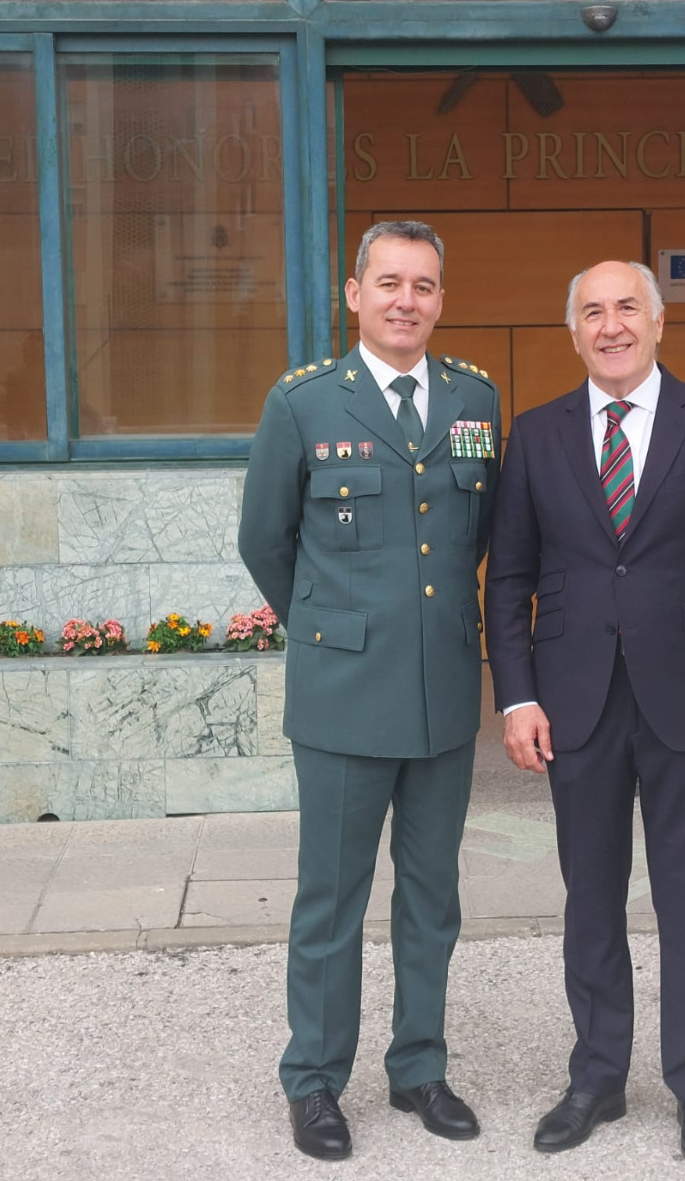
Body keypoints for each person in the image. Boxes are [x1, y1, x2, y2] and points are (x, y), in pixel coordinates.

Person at [483, 260, 685, 1167]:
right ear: (572, 333)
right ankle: (597, 1077)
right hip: (574, 703)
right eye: (591, 312)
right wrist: (517, 696)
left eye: (626, 309)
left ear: (658, 324)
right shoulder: (537, 435)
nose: (610, 326)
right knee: (591, 900)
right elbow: (510, 579)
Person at [238, 220, 501, 1162]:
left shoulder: (475, 398)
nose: (405, 300)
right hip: (343, 694)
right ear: (355, 295)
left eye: (423, 285)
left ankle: (419, 1067)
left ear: (440, 299)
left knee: (432, 896)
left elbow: (480, 534)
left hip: (440, 694)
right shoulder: (304, 403)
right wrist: (331, 626)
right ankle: (314, 1080)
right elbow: (264, 542)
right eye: (388, 282)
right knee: (332, 901)